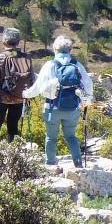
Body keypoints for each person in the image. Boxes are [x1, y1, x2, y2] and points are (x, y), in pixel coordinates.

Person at [24, 35, 94, 169]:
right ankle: (78, 163)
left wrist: (25, 94)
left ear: (55, 49)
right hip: (73, 108)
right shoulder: (77, 65)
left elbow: (38, 87)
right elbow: (88, 85)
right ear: (70, 50)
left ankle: (51, 163)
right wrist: (86, 101)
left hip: (52, 107)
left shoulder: (50, 65)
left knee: (51, 137)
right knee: (71, 136)